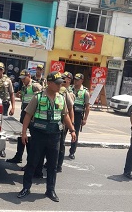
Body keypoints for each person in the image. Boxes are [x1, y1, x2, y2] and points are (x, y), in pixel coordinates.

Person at [17, 71, 77, 202]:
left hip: (55, 136)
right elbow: (28, 115)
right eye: (57, 83)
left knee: (52, 165)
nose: (60, 85)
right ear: (49, 83)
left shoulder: (61, 97)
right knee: (32, 162)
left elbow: (65, 115)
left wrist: (72, 130)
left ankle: (50, 190)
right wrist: (23, 133)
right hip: (38, 135)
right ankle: (26, 188)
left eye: (61, 83)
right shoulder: (38, 97)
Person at [6, 69, 42, 164]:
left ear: (29, 76)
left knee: (29, 139)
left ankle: (30, 162)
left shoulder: (35, 85)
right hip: (24, 113)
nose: (22, 80)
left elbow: (41, 98)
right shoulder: (24, 87)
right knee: (21, 135)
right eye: (21, 79)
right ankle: (18, 156)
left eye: (24, 78)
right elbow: (25, 98)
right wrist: (20, 95)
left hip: (32, 115)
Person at [69, 73, 90, 159]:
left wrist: (85, 119)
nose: (76, 81)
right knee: (63, 132)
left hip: (78, 115)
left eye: (78, 80)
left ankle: (72, 152)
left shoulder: (85, 92)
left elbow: (87, 107)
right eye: (75, 79)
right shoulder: (70, 89)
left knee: (75, 134)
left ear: (82, 81)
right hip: (69, 113)